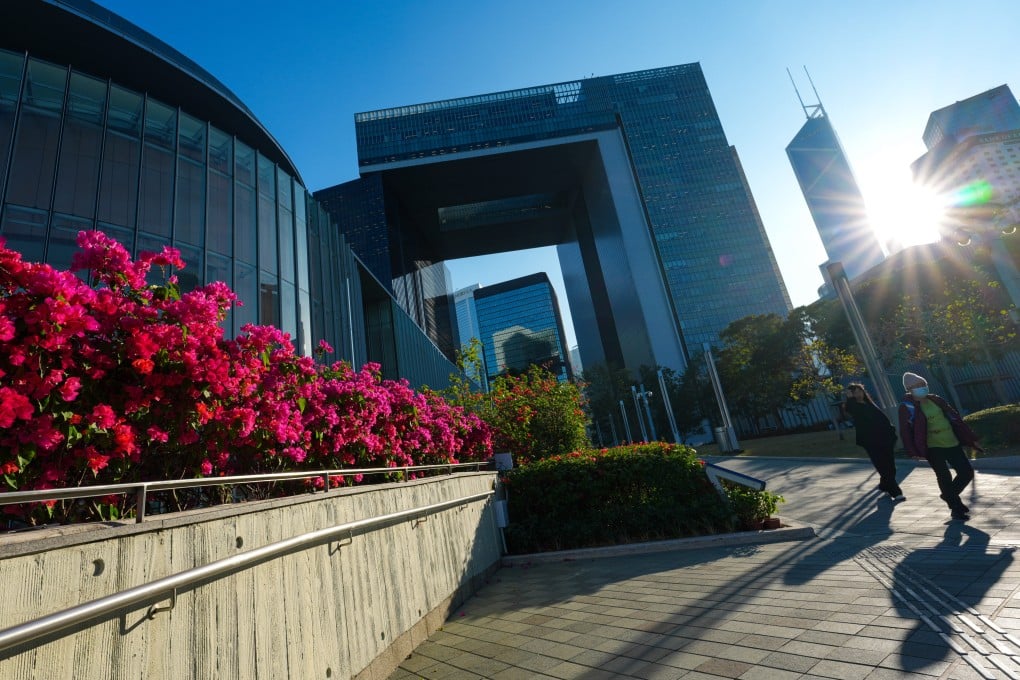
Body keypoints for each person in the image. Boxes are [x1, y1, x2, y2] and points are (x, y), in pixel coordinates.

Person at [898, 371, 983, 520]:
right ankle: (956, 508)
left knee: (966, 472)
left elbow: (956, 419)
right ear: (909, 389)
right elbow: (905, 431)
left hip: (951, 441)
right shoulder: (907, 407)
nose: (922, 387)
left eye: (923, 384)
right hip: (932, 446)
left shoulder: (936, 400)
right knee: (944, 476)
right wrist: (912, 451)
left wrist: (971, 438)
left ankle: (948, 495)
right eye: (917, 386)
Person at [844, 382, 903, 501]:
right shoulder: (852, 406)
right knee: (882, 466)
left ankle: (884, 485)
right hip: (870, 442)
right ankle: (896, 492)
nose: (858, 393)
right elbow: (852, 410)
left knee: (891, 467)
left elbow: (881, 418)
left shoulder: (869, 403)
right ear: (851, 394)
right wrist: (850, 399)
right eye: (855, 392)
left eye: (860, 390)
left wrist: (891, 431)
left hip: (885, 438)